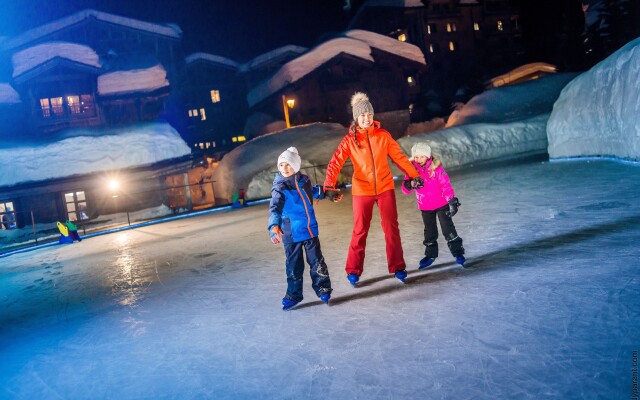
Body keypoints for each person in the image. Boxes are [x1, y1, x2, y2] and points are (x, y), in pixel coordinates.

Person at [323, 92, 428, 286]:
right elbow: (335, 162)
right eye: (362, 115)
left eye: (369, 115)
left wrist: (415, 176)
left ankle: (398, 266)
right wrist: (329, 186)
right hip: (362, 190)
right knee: (360, 230)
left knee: (391, 228)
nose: (366, 118)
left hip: (385, 187)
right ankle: (353, 270)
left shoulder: (383, 136)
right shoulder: (350, 140)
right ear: (356, 117)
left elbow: (400, 158)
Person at [268, 147, 333, 310]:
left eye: (288, 165)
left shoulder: (303, 181)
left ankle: (323, 288)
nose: (284, 168)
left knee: (317, 262)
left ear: (296, 166)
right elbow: (274, 207)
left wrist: (327, 194)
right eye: (281, 165)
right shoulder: (279, 188)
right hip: (291, 233)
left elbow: (311, 192)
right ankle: (294, 294)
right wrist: (274, 225)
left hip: (309, 230)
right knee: (293, 266)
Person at [401, 142, 465, 268]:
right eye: (416, 157)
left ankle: (458, 253)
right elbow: (405, 189)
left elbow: (445, 185)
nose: (419, 159)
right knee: (430, 232)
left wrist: (451, 200)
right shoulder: (411, 170)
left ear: (428, 156)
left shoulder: (436, 169)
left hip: (441, 204)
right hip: (425, 206)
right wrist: (411, 184)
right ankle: (430, 254)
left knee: (448, 228)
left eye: (422, 156)